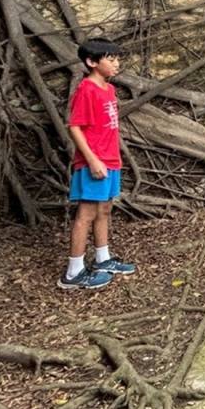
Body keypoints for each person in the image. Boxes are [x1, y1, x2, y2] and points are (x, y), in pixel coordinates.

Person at [57, 38, 135, 290]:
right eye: (110, 60)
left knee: (104, 210)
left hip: (110, 159)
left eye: (116, 59)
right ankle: (73, 272)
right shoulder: (86, 89)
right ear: (92, 62)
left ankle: (103, 259)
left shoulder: (108, 89)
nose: (116, 64)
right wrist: (92, 160)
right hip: (94, 163)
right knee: (86, 214)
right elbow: (75, 127)